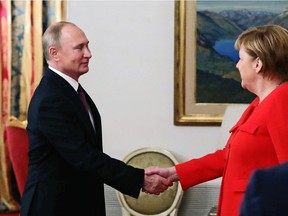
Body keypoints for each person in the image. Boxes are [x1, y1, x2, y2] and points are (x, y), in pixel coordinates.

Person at [20, 21, 172, 216]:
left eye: (87, 45)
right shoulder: (50, 99)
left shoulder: (69, 91)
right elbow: (84, 157)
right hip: (53, 207)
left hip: (78, 203)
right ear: (54, 53)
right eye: (79, 48)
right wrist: (140, 178)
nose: (88, 54)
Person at [146, 24, 288, 216]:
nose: (237, 65)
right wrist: (175, 173)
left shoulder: (282, 101)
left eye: (241, 59)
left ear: (258, 64)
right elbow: (227, 157)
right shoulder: (258, 104)